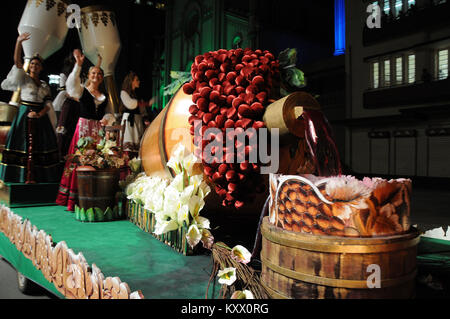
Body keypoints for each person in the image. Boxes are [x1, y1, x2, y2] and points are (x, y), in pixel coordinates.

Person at [55, 49, 115, 211]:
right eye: (93, 73)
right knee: (80, 157)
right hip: (83, 128)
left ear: (102, 78)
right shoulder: (82, 90)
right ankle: (73, 197)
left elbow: (110, 113)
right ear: (89, 76)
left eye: (99, 74)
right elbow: (71, 85)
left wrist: (106, 119)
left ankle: (91, 195)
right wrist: (79, 65)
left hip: (97, 130)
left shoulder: (104, 96)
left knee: (96, 158)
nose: (96, 76)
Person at [0, 32, 60, 183]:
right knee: (22, 143)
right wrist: (18, 42)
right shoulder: (24, 79)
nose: (34, 66)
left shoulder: (45, 85)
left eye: (37, 64)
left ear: (41, 68)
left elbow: (48, 104)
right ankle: (19, 176)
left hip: (40, 115)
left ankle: (40, 177)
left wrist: (40, 114)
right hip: (25, 113)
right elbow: (17, 62)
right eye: (32, 64)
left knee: (42, 144)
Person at [120, 72, 153, 156]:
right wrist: (146, 103)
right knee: (129, 144)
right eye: (137, 80)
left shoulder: (137, 94)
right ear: (131, 81)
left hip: (137, 120)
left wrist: (145, 119)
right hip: (128, 120)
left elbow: (142, 110)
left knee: (137, 145)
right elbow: (130, 104)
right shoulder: (124, 93)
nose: (139, 82)